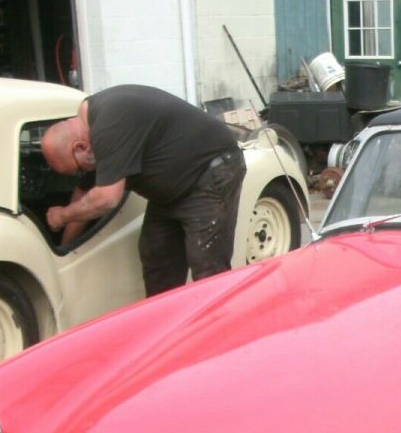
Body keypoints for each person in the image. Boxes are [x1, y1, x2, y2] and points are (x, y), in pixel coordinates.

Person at [41, 84, 247, 295]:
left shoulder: (108, 127)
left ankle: (218, 324)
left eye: (76, 170)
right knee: (157, 258)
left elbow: (106, 198)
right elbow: (84, 194)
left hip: (209, 173)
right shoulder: (91, 130)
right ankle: (169, 323)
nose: (80, 173)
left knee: (207, 271)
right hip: (171, 191)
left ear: (80, 147)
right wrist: (65, 254)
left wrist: (62, 216)